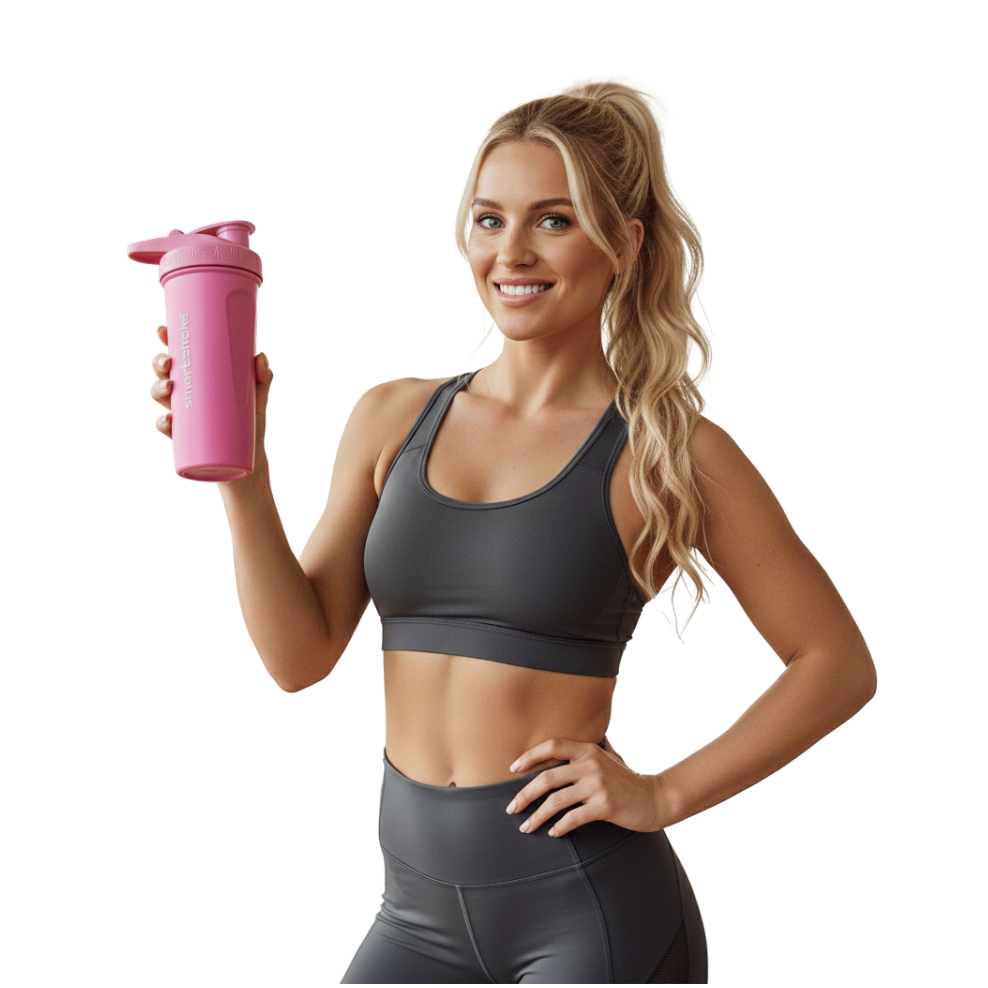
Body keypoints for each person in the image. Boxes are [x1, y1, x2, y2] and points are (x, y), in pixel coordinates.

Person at [150, 74, 877, 984]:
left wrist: (664, 792)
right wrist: (244, 477)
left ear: (624, 242)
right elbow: (299, 658)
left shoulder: (668, 449)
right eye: (490, 219)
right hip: (410, 913)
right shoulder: (391, 417)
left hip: (588, 914)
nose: (512, 253)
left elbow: (836, 662)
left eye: (554, 219)